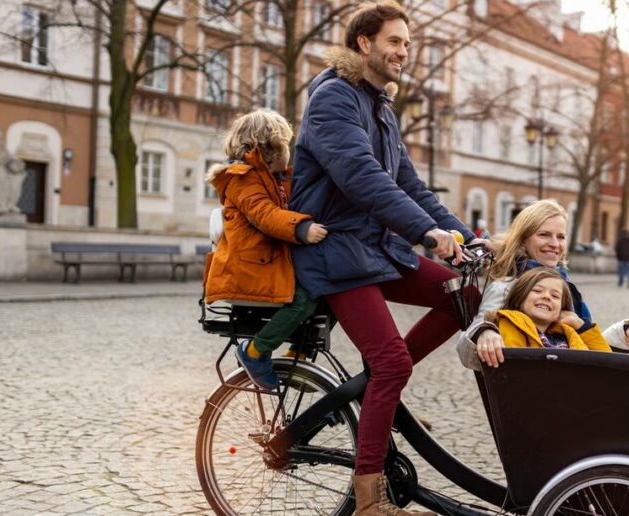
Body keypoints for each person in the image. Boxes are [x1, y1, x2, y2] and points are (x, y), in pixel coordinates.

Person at [288, 3, 483, 514]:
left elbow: (410, 185)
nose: (404, 52)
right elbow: (362, 179)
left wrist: (470, 238)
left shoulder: (380, 107)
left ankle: (379, 391)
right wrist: (426, 233)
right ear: (364, 44)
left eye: (407, 44)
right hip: (334, 251)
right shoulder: (333, 99)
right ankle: (370, 495)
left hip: (375, 249)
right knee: (393, 360)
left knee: (465, 294)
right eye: (395, 42)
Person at [457, 200, 629, 370]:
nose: (554, 243)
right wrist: (486, 332)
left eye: (561, 236)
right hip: (573, 376)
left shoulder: (558, 278)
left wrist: (622, 332)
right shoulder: (510, 281)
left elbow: (578, 337)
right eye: (544, 235)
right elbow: (475, 333)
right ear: (522, 240)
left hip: (584, 363)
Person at [203, 109, 328, 391]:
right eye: (286, 145)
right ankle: (256, 351)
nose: (289, 152)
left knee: (330, 287)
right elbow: (264, 214)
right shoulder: (242, 179)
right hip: (249, 270)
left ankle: (300, 352)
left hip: (266, 263)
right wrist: (301, 228)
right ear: (269, 149)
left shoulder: (272, 178)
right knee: (305, 298)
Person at [481, 268, 629, 367]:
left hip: (600, 379)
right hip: (592, 391)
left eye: (554, 296)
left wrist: (581, 326)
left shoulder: (562, 331)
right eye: (538, 291)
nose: (546, 298)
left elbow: (603, 358)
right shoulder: (511, 322)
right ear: (520, 297)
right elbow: (520, 368)